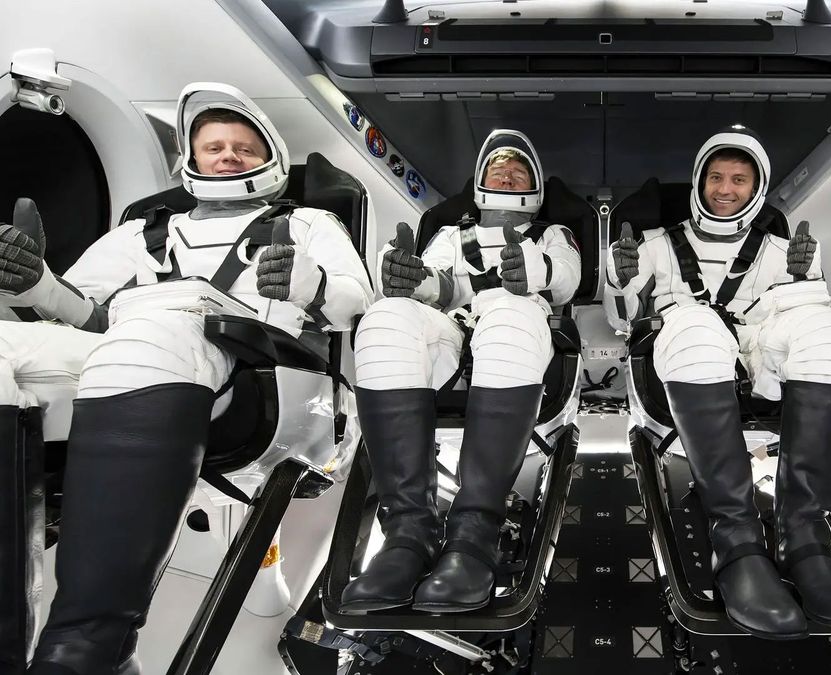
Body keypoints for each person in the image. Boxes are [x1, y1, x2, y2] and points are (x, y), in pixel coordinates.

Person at [0, 82, 372, 674]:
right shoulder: (139, 231)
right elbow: (90, 314)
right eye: (214, 146)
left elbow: (358, 305)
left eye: (244, 148)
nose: (228, 156)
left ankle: (91, 647)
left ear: (270, 157)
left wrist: (307, 281)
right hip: (128, 350)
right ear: (190, 161)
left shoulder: (307, 221)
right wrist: (38, 285)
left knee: (152, 337)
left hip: (264, 370)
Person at [603, 126, 831, 639]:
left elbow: (800, 314)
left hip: (761, 359)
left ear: (757, 189)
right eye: (716, 178)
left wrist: (808, 285)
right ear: (699, 182)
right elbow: (624, 319)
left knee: (827, 329)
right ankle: (736, 541)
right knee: (695, 323)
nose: (725, 189)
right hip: (689, 353)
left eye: (739, 180)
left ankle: (805, 540)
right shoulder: (654, 246)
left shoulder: (782, 249)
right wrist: (623, 282)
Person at [339, 129, 581, 614]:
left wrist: (536, 272)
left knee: (510, 314)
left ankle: (474, 539)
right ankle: (408, 537)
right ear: (478, 181)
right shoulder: (452, 234)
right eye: (497, 168)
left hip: (518, 325)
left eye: (518, 170)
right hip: (455, 329)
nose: (507, 174)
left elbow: (566, 277)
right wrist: (414, 276)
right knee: (385, 316)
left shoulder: (553, 235)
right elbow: (440, 289)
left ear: (534, 188)